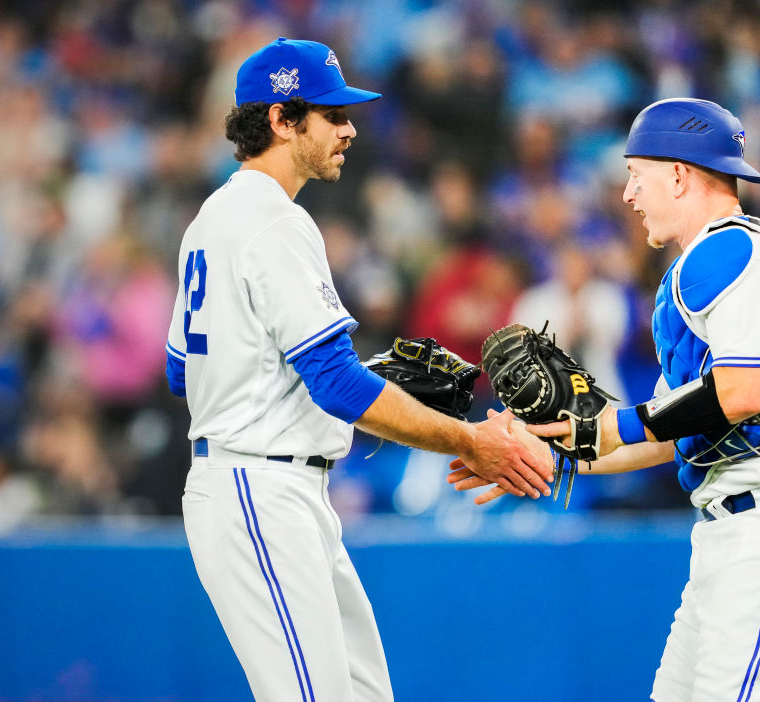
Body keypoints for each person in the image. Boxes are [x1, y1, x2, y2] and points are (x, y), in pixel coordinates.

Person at [164, 38, 552, 702]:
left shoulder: (212, 217)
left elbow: (182, 370)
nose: (348, 129)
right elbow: (338, 383)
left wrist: (324, 375)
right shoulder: (273, 222)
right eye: (330, 114)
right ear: (282, 121)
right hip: (259, 488)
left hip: (269, 484)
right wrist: (469, 440)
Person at [454, 98, 760, 701]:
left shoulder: (728, 251)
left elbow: (744, 392)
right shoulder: (706, 263)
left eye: (636, 175)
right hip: (740, 529)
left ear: (678, 173)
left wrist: (612, 426)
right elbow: (669, 430)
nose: (627, 195)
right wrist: (546, 455)